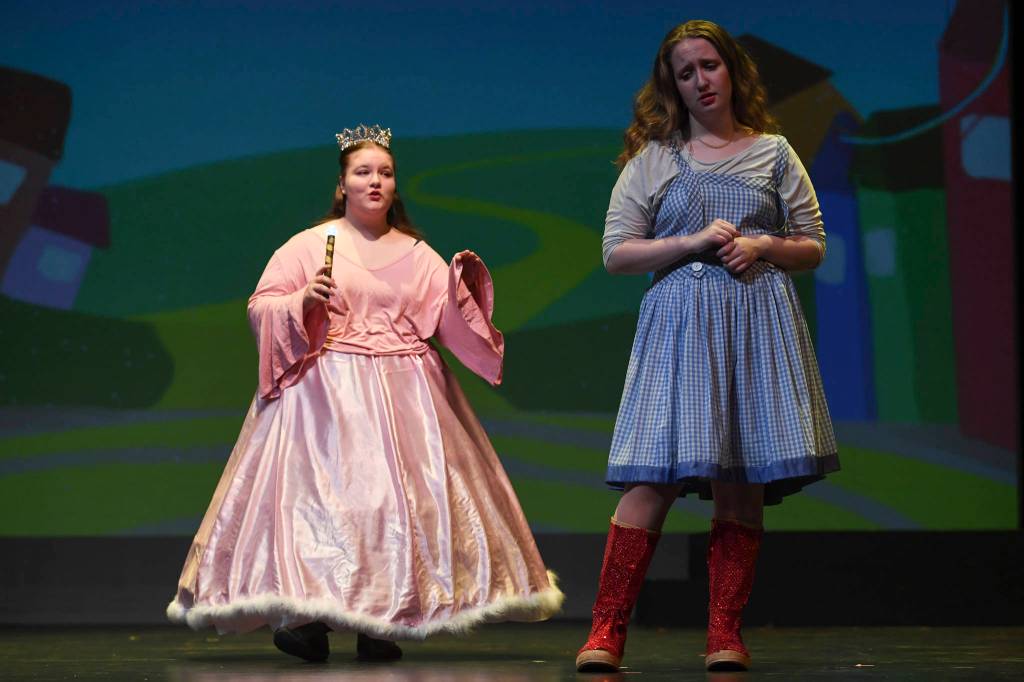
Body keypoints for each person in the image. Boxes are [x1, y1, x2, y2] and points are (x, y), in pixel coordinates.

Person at [167, 124, 563, 663]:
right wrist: (302, 300)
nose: (375, 181)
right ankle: (305, 618)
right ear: (342, 185)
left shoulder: (417, 254)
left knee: (391, 507)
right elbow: (261, 305)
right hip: (324, 396)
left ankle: (382, 620)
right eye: (363, 172)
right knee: (321, 503)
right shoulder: (309, 246)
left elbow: (447, 322)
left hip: (404, 395)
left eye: (385, 173)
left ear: (395, 186)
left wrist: (463, 290)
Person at [575, 20, 838, 673]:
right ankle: (606, 631)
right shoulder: (656, 159)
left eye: (709, 66)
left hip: (754, 322)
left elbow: (812, 243)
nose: (700, 81)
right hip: (680, 327)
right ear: (674, 87)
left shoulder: (773, 152)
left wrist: (763, 244)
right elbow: (616, 253)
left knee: (739, 481)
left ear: (732, 71)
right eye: (686, 72)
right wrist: (690, 242)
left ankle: (725, 634)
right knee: (652, 477)